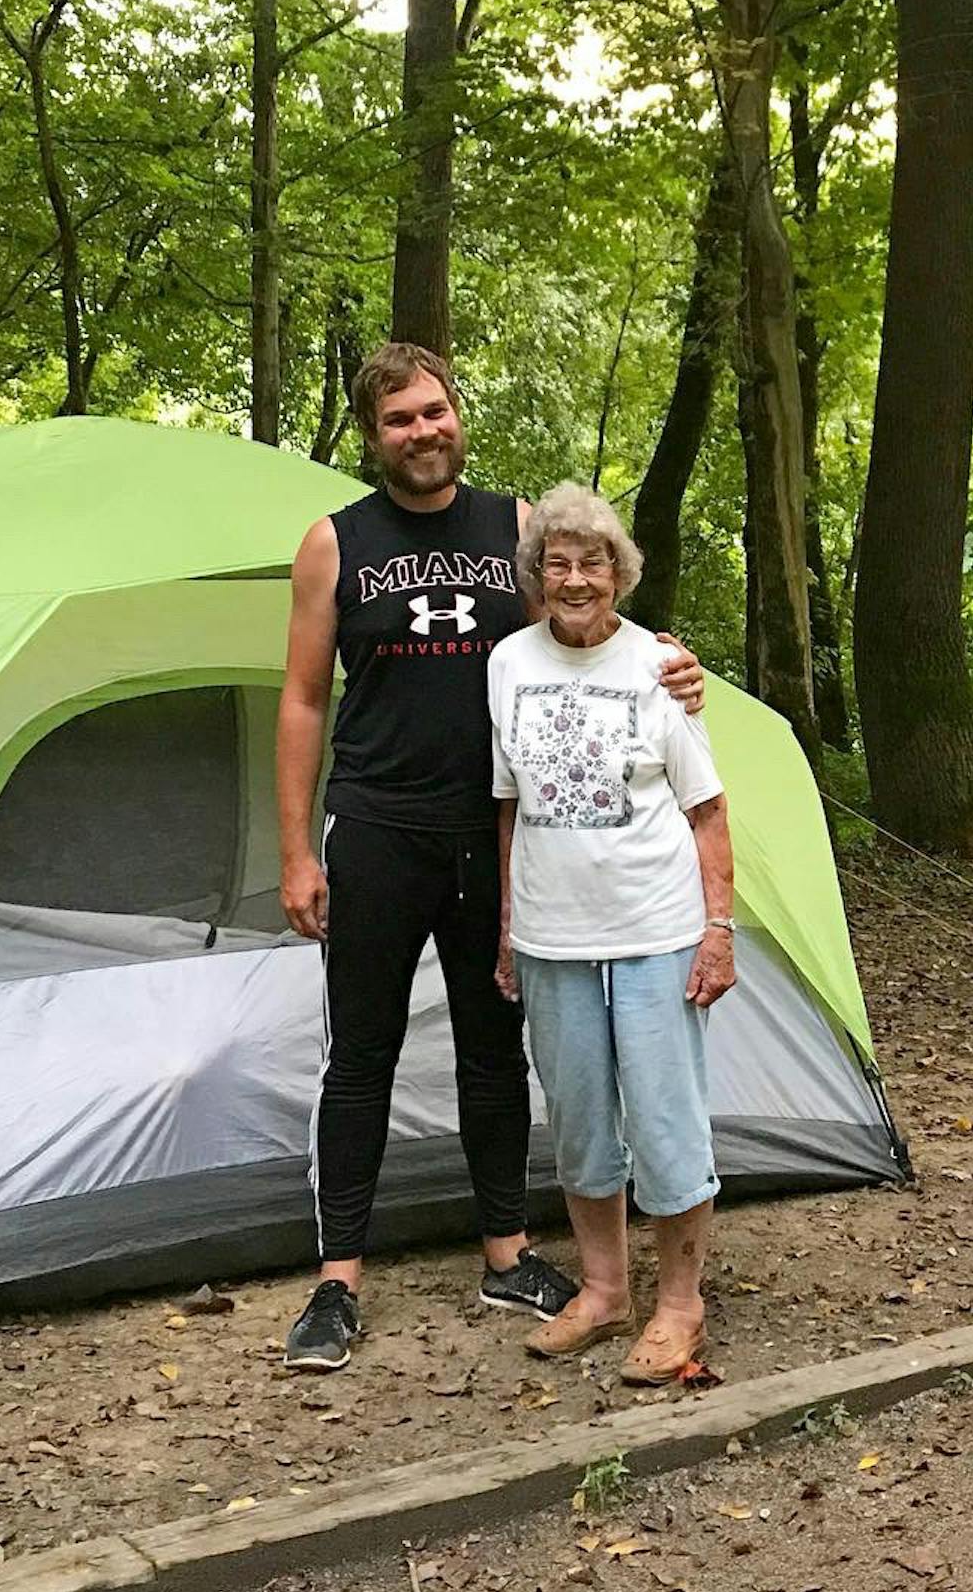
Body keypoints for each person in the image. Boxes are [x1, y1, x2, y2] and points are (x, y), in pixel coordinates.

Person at [276, 343, 704, 1371]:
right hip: (378, 830)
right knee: (361, 1055)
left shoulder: (513, 527)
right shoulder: (335, 544)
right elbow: (301, 700)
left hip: (494, 835)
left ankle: (508, 1250)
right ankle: (338, 1279)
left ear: (457, 415)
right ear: (371, 438)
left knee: (492, 1047)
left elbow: (582, 623)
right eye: (398, 421)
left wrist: (673, 664)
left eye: (434, 412)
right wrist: (296, 851)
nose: (421, 432)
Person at [488, 482, 735, 1384]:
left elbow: (707, 810)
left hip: (656, 928)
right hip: (553, 936)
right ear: (538, 575)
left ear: (619, 574)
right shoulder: (508, 663)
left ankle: (681, 1306)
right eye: (558, 562)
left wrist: (719, 930)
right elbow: (506, 805)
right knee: (581, 1119)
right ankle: (604, 1290)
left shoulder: (659, 668)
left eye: (594, 563)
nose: (576, 579)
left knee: (666, 1122)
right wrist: (510, 930)